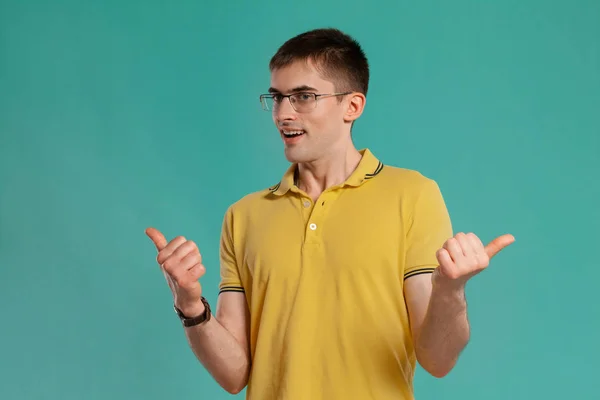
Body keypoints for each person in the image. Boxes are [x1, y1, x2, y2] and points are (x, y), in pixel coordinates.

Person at [145, 28, 515, 400]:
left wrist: (450, 291)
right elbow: (234, 374)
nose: (283, 114)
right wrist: (191, 306)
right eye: (276, 98)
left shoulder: (413, 195)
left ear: (352, 106)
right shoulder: (244, 216)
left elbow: (438, 360)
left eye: (303, 97)